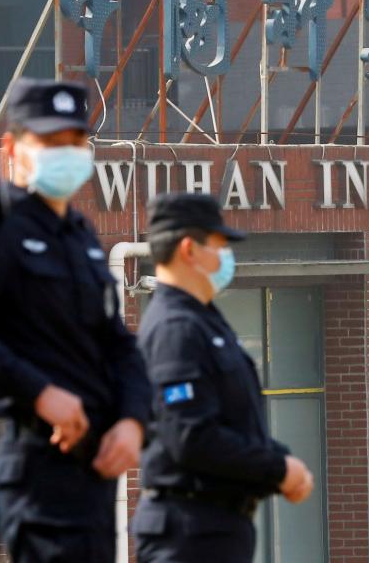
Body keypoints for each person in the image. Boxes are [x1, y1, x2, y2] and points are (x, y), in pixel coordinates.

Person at [0, 78, 152, 563]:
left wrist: (134, 420)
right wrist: (38, 392)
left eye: (76, 140)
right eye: (50, 142)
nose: (67, 152)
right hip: (37, 469)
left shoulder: (80, 234)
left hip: (94, 473)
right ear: (12, 146)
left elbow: (117, 342)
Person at [131, 193, 315, 563]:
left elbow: (235, 420)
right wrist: (278, 469)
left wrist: (281, 464)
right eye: (219, 246)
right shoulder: (175, 328)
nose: (226, 257)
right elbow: (190, 436)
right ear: (189, 249)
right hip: (190, 532)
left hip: (214, 529)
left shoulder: (204, 321)